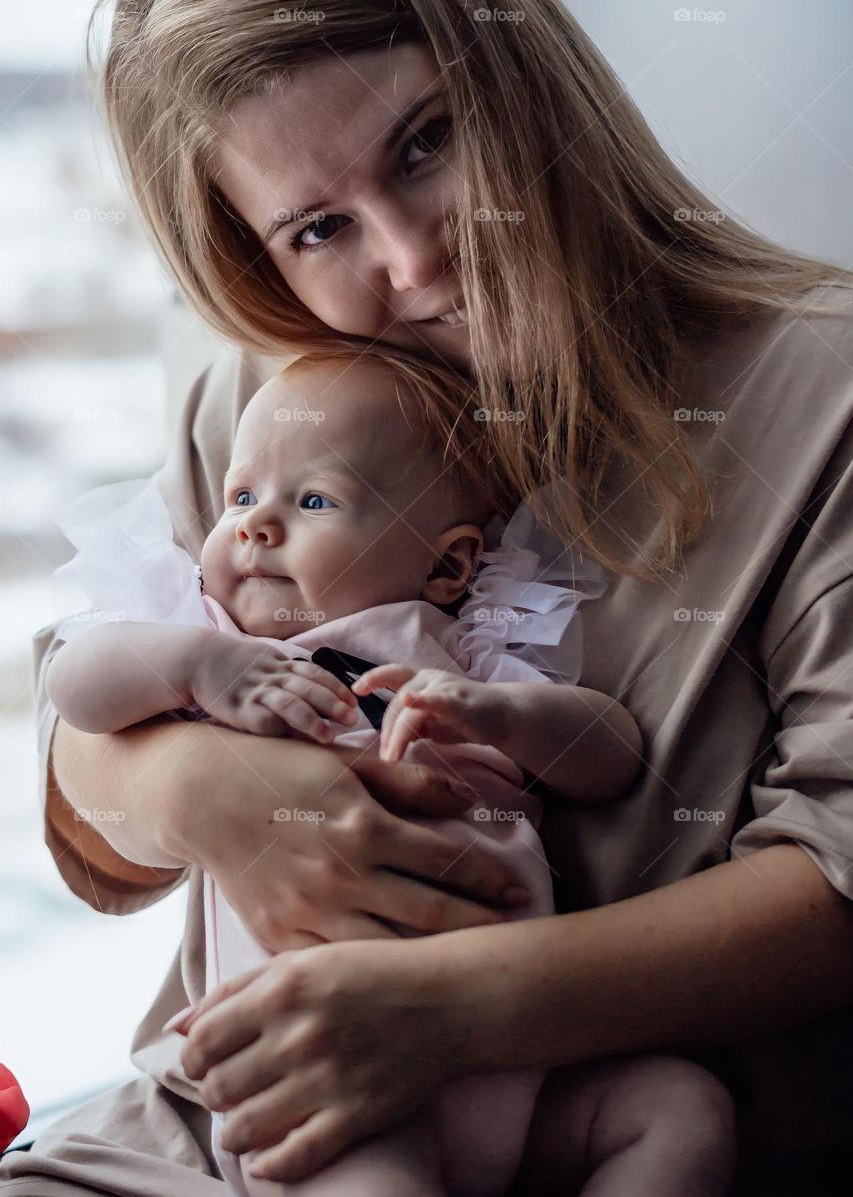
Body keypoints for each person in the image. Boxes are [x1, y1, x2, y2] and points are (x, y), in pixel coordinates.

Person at [3, 0, 853, 1194]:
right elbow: (92, 808)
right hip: (234, 1132)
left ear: (530, 81)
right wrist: (200, 792)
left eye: (424, 141)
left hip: (617, 1132)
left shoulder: (821, 391)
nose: (410, 257)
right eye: (313, 229)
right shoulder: (275, 399)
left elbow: (835, 874)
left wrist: (458, 1005)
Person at [46, 346, 735, 1196]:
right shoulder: (222, 648)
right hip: (323, 1075)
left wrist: (503, 714)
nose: (256, 524)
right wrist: (198, 668)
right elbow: (73, 687)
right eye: (241, 496)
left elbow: (611, 757)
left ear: (446, 566)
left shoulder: (469, 655)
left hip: (517, 1055)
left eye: (313, 500)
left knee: (678, 1109)